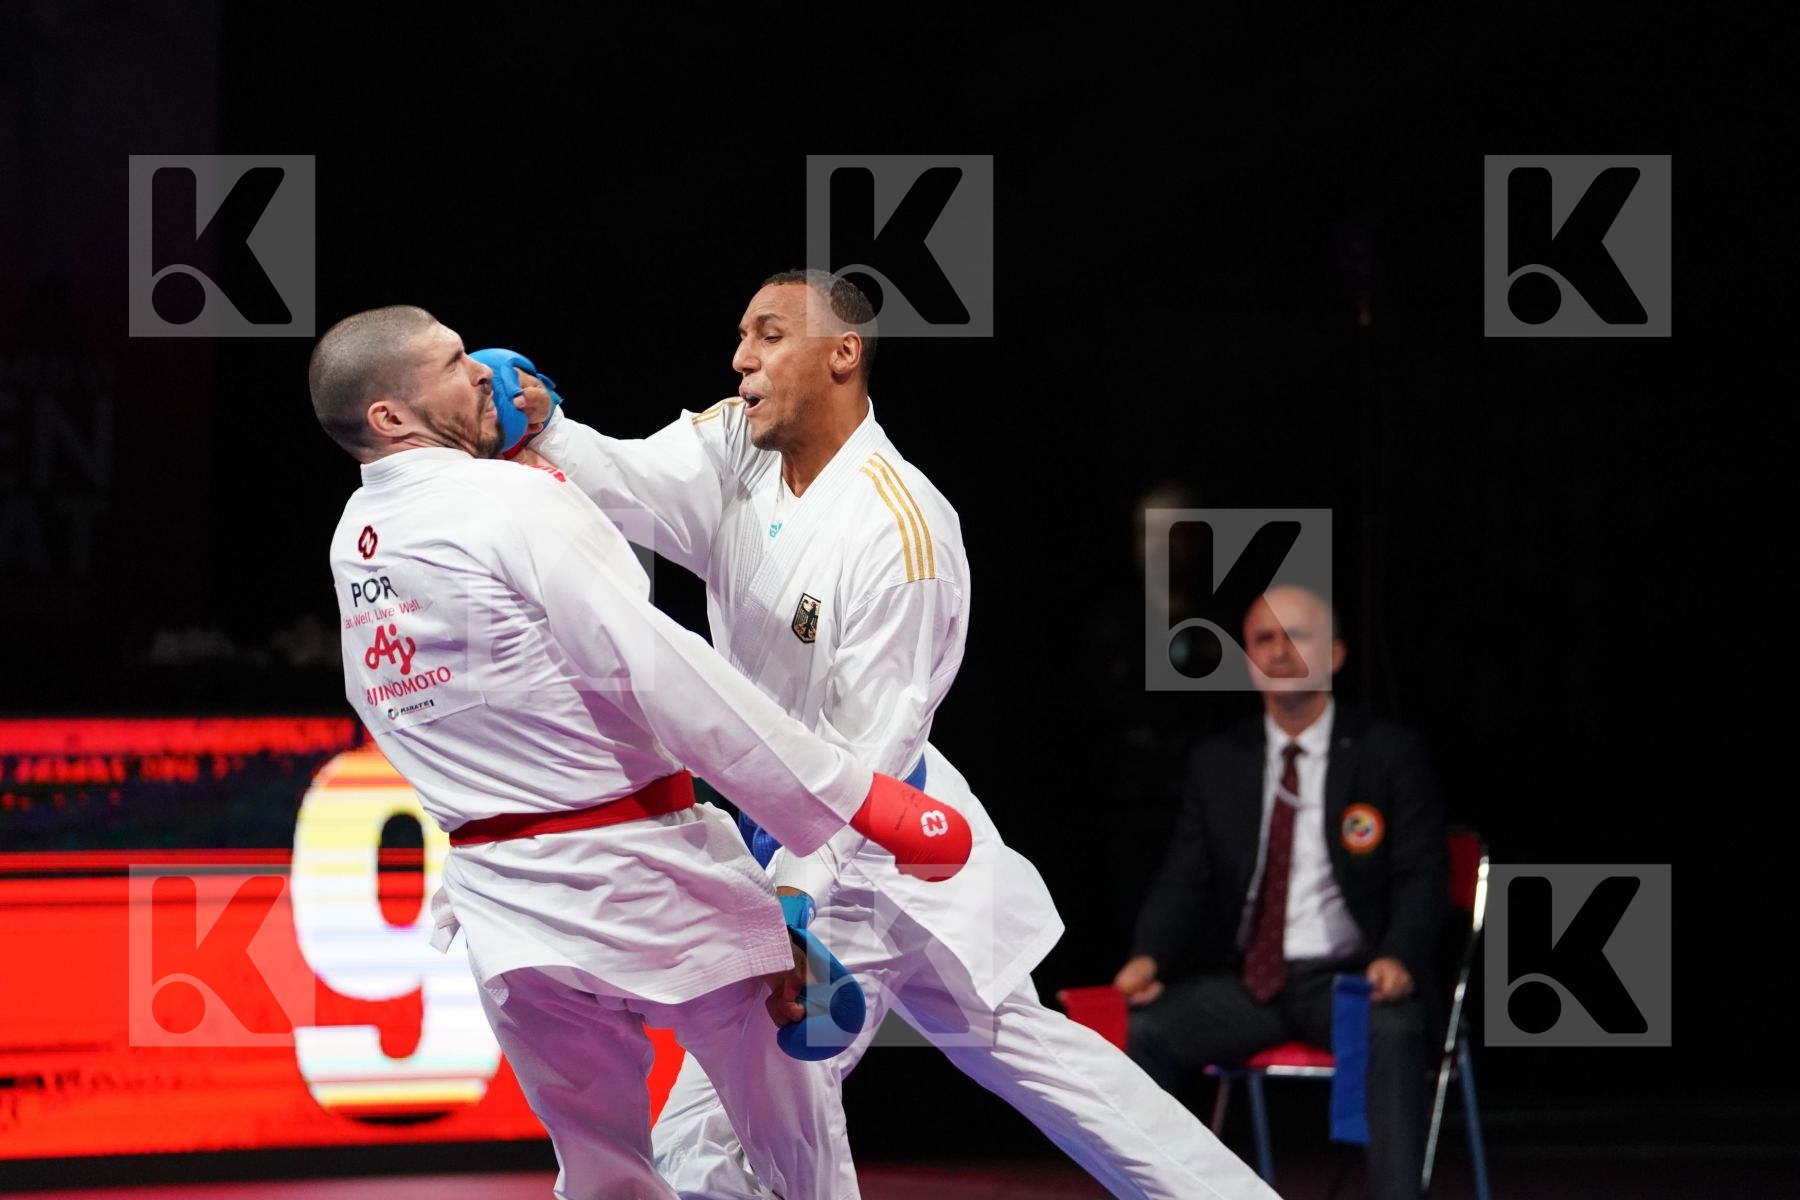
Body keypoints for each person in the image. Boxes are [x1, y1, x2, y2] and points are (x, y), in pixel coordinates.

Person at [507, 270, 1279, 1200]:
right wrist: (547, 427)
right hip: (842, 838)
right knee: (1048, 1066)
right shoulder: (734, 445)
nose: (741, 356)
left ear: (844, 354)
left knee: (717, 1129)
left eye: (768, 335)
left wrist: (791, 905)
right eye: (742, 336)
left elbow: (870, 750)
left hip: (859, 842)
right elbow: (627, 483)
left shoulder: (901, 533)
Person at [308, 304, 972, 1200]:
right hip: (645, 878)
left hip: (503, 907)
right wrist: (858, 800)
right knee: (797, 1132)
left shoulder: (357, 538)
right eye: (455, 361)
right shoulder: (510, 499)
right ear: (390, 415)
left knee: (604, 1174)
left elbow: (387, 704)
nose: (482, 371)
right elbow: (663, 673)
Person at [1114, 583, 1448, 1200]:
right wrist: (1147, 957)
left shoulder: (1386, 753)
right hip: (1252, 986)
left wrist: (1398, 956)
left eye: (1297, 636)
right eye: (1264, 638)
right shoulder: (1221, 760)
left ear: (1337, 655)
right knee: (1143, 1032)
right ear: (1247, 658)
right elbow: (1185, 877)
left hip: (1350, 983)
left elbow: (1420, 873)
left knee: (1395, 1031)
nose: (1279, 651)